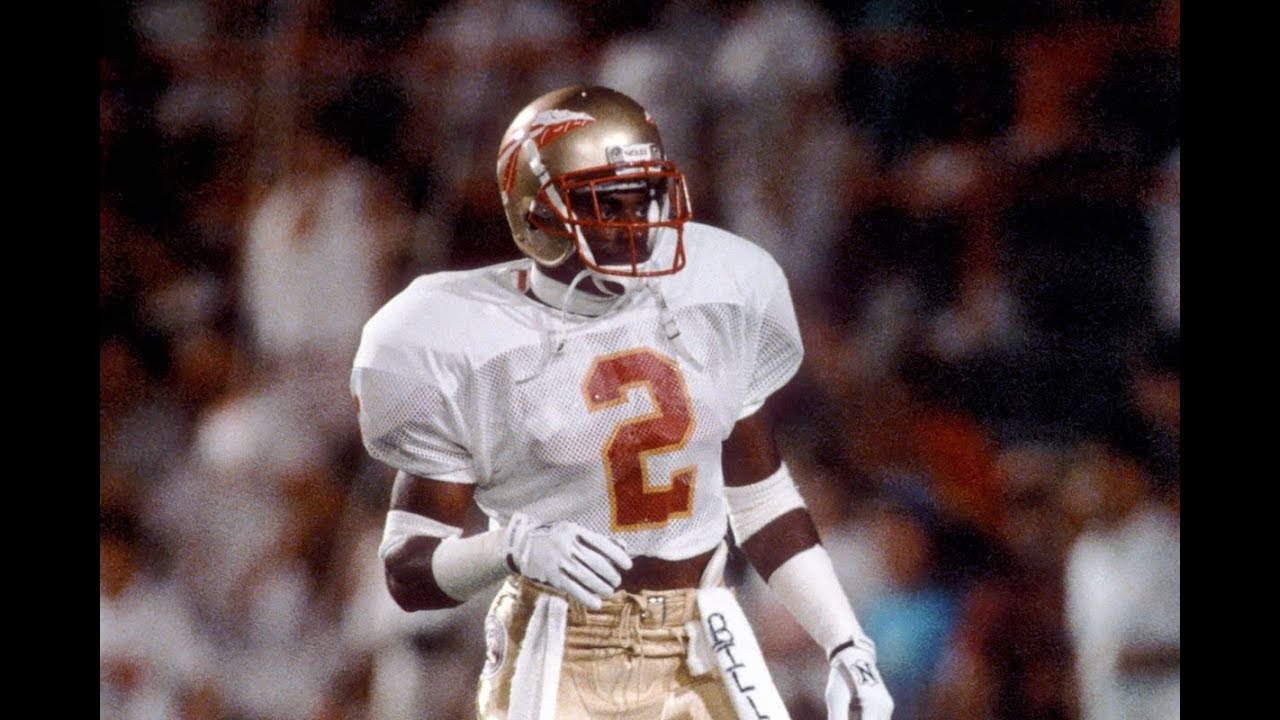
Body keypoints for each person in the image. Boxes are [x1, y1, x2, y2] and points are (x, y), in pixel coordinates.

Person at [350, 85, 894, 720]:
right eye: (608, 203)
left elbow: (761, 499)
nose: (637, 222)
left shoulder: (709, 301)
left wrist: (845, 641)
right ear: (538, 213)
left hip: (701, 631)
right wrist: (510, 551)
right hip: (561, 647)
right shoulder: (469, 341)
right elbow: (407, 574)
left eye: (645, 197)